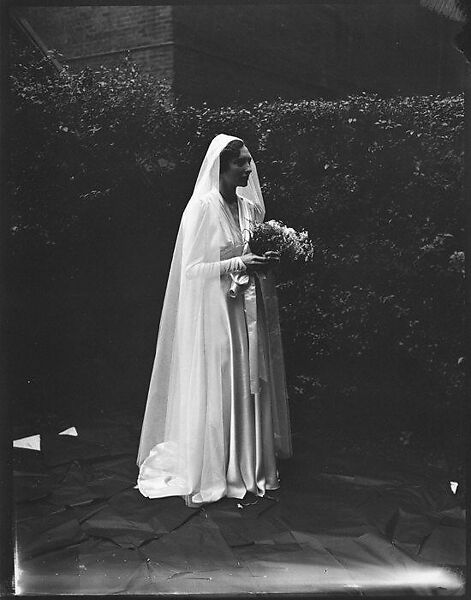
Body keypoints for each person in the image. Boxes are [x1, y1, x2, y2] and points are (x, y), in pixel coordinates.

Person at [136, 133, 292, 507]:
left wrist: (270, 257)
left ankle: (249, 464)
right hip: (217, 313)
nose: (248, 169)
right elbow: (190, 270)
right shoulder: (202, 208)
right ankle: (216, 467)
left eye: (249, 161)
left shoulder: (251, 209)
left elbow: (254, 252)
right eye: (240, 162)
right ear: (221, 167)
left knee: (251, 380)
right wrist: (237, 263)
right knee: (224, 383)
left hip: (248, 310)